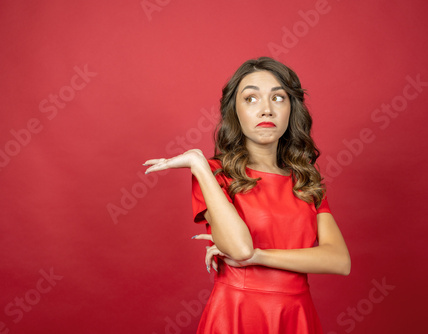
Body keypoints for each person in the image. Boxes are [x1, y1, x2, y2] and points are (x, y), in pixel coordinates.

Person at [143, 57, 351, 334]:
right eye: (251, 99)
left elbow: (339, 261)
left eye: (278, 98)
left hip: (296, 314)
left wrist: (259, 256)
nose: (266, 110)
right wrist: (199, 165)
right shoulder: (215, 174)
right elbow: (239, 249)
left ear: (292, 109)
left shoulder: (306, 181)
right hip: (237, 313)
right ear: (235, 112)